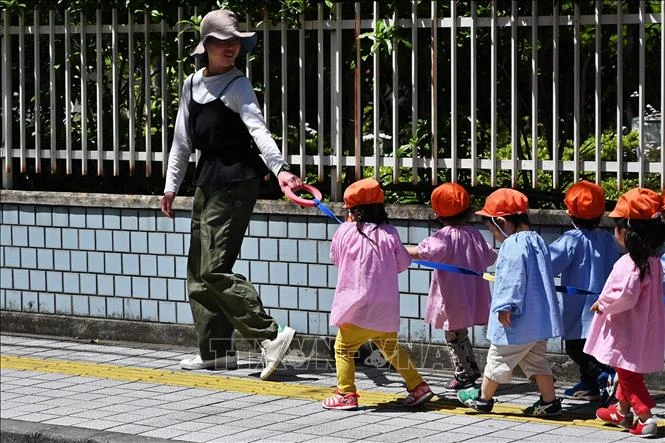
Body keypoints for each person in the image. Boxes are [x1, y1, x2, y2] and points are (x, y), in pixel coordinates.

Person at [160, 9, 302, 380]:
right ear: (206, 45)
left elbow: (259, 130)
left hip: (238, 181)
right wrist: (170, 187)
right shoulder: (192, 84)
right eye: (224, 41)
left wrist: (282, 170)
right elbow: (181, 142)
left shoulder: (238, 85)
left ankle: (270, 335)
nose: (232, 47)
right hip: (207, 181)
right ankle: (216, 352)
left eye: (236, 41)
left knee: (214, 268)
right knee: (196, 272)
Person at [322, 178, 434, 410]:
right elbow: (402, 263)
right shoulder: (390, 232)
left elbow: (336, 259)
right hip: (385, 310)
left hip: (356, 309)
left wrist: (346, 228)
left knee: (343, 349)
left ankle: (345, 393)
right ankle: (417, 385)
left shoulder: (343, 232)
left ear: (353, 211)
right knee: (391, 349)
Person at [456, 188, 563, 416]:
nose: (493, 234)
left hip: (517, 319)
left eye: (492, 229)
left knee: (498, 356)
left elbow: (513, 278)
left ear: (502, 222)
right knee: (536, 361)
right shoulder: (537, 240)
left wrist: (506, 304)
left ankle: (483, 399)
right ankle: (549, 401)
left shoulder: (513, 244)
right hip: (537, 320)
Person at [585, 188, 665, 438]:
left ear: (628, 230)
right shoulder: (653, 260)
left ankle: (645, 416)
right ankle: (621, 411)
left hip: (627, 329)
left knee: (628, 375)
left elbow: (625, 296)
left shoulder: (630, 263)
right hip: (644, 327)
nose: (614, 231)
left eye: (617, 225)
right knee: (627, 371)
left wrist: (603, 304)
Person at [406, 183, 497, 390]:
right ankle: (470, 369)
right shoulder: (474, 233)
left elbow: (424, 251)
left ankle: (464, 374)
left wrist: (397, 250)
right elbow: (490, 256)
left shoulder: (444, 236)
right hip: (472, 293)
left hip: (452, 296)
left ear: (438, 213)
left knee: (453, 335)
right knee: (459, 333)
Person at [549, 181, 619, 403]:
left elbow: (549, 264)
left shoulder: (570, 240)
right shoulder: (608, 239)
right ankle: (588, 385)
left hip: (580, 310)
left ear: (570, 212)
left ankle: (603, 377)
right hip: (605, 306)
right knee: (596, 347)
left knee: (576, 349)